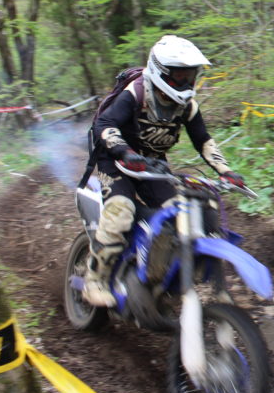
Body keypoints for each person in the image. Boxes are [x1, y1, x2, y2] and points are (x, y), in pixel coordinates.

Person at [83, 35, 244, 307]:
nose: (186, 82)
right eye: (180, 76)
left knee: (184, 211)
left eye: (190, 75)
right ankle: (94, 280)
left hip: (152, 164)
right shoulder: (135, 94)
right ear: (161, 71)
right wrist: (125, 152)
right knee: (121, 211)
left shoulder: (187, 106)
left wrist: (225, 170)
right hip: (116, 161)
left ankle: (174, 276)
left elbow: (203, 140)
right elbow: (105, 125)